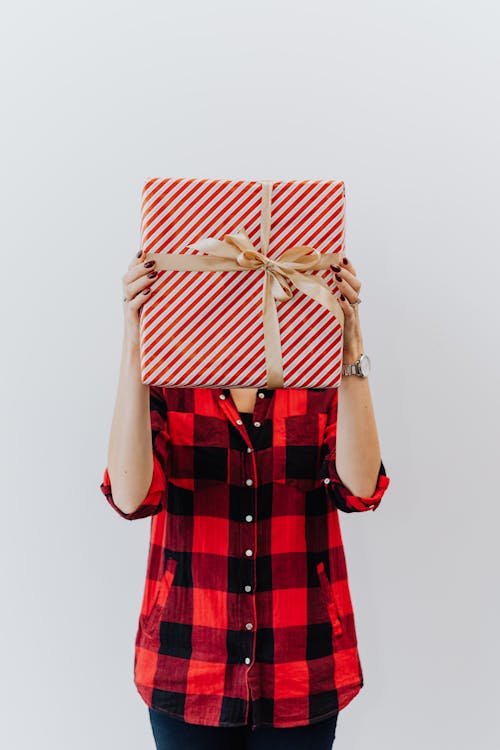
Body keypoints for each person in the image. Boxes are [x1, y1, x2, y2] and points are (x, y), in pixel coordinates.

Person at [100, 249, 391, 750]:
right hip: (187, 657)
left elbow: (361, 490)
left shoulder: (315, 372)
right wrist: (135, 340)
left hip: (302, 659)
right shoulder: (174, 373)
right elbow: (130, 497)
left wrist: (350, 346)